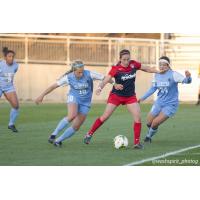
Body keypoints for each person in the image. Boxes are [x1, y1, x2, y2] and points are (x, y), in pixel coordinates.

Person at [83, 49, 164, 149]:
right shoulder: (116, 68)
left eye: (128, 59)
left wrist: (158, 71)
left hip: (130, 97)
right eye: (124, 59)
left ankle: (136, 143)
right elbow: (107, 79)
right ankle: (89, 134)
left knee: (137, 117)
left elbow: (147, 69)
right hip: (116, 96)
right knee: (105, 116)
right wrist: (100, 87)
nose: (126, 61)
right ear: (120, 59)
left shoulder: (133, 64)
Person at [35, 60, 111, 147]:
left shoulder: (89, 74)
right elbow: (53, 86)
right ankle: (54, 134)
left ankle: (58, 141)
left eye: (82, 72)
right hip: (74, 97)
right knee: (72, 115)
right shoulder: (68, 77)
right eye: (79, 72)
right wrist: (42, 95)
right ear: (74, 71)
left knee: (76, 127)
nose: (81, 74)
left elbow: (106, 78)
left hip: (86, 102)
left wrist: (112, 84)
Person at [138, 56, 192, 143]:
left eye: (164, 65)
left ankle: (148, 137)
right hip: (159, 103)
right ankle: (152, 129)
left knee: (155, 122)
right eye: (160, 65)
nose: (162, 66)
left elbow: (187, 81)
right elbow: (153, 88)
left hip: (170, 104)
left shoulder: (173, 74)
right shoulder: (156, 74)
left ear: (168, 65)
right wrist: (142, 98)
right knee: (149, 122)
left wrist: (188, 77)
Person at [0, 47, 20, 132]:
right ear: (5, 57)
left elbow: (12, 74)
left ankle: (11, 124)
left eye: (12, 56)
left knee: (16, 106)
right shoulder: (1, 64)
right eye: (9, 56)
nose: (11, 58)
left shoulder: (16, 65)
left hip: (9, 87)